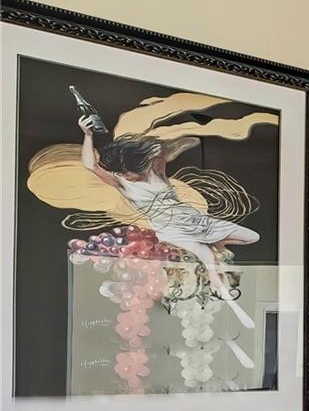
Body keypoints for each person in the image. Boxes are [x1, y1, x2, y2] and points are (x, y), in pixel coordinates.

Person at [79, 115, 258, 330]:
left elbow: (160, 148)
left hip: (197, 221)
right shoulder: (121, 183)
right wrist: (88, 134)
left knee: (251, 237)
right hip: (172, 231)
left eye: (127, 171)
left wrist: (176, 143)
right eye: (120, 172)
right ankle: (230, 303)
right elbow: (90, 165)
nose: (123, 174)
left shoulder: (155, 171)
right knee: (210, 264)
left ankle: (214, 245)